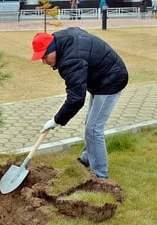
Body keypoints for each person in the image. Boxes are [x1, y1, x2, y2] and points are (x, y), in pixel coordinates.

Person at [31, 27, 128, 179]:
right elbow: (79, 32)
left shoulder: (71, 60)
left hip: (112, 79)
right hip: (98, 78)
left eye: (44, 57)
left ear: (52, 49)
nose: (44, 62)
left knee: (94, 128)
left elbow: (76, 98)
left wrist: (57, 120)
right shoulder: (62, 40)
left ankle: (100, 175)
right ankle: (87, 159)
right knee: (90, 123)